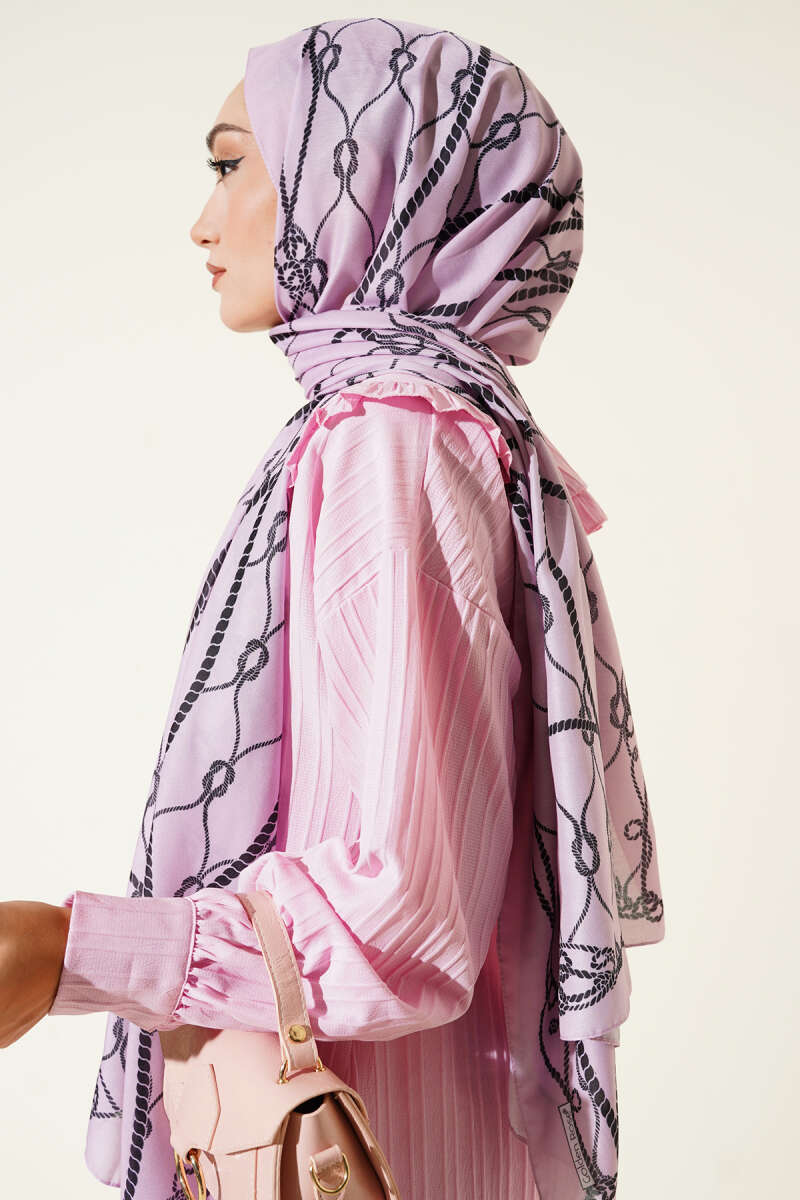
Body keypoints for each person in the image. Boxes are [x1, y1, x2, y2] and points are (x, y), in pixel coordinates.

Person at [0, 18, 665, 1200]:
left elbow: (398, 914)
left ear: (372, 183)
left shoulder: (391, 442)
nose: (203, 221)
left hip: (386, 1150)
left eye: (231, 163)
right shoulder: (433, 432)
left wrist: (65, 951)